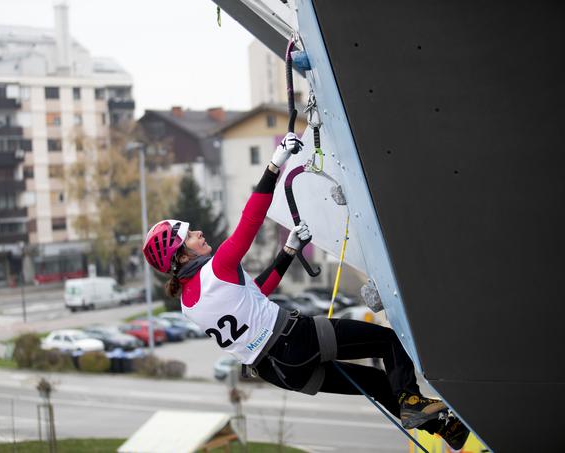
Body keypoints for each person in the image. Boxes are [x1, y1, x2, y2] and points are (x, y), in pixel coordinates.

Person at [142, 133, 470, 449]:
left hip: (280, 373)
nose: (198, 232)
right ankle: (413, 402)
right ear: (181, 254)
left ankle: (445, 428)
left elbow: (256, 293)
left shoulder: (187, 303)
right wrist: (275, 164)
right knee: (387, 341)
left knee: (377, 384)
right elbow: (250, 219)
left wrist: (287, 252)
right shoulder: (218, 267)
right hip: (295, 340)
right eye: (189, 235)